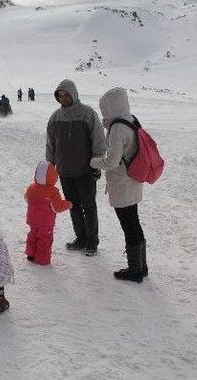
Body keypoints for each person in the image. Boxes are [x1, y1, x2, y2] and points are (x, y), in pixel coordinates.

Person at [90, 87, 147, 282]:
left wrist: (93, 162)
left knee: (129, 225)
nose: (103, 111)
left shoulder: (116, 128)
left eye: (104, 107)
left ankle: (135, 270)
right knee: (134, 223)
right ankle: (141, 266)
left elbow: (112, 162)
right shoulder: (130, 119)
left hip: (123, 183)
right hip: (134, 179)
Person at [46, 79, 106, 256]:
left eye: (66, 94)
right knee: (73, 206)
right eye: (60, 95)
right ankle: (81, 238)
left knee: (89, 206)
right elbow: (50, 143)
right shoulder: (56, 117)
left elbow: (98, 140)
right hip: (64, 171)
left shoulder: (87, 114)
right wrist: (50, 165)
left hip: (85, 170)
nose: (63, 98)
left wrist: (97, 162)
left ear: (73, 94)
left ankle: (92, 242)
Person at [24, 161, 72, 265]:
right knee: (44, 239)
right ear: (52, 176)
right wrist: (68, 204)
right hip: (45, 223)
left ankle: (30, 254)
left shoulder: (31, 188)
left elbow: (27, 199)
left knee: (32, 235)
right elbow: (57, 207)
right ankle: (42, 259)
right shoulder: (53, 192)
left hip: (32, 219)